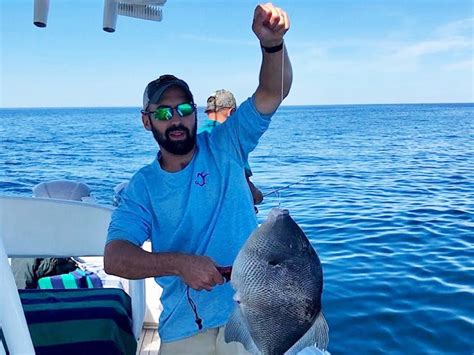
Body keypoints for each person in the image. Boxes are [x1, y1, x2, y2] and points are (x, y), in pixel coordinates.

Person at [104, 3, 292, 354]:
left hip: (251, 309)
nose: (175, 119)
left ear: (195, 113)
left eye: (184, 109)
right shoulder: (142, 186)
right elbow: (115, 258)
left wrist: (272, 46)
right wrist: (179, 263)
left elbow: (272, 92)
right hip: (184, 322)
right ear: (147, 121)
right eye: (163, 112)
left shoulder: (227, 143)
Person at [199, 89, 264, 206]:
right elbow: (244, 183)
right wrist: (258, 195)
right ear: (231, 112)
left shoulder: (194, 138)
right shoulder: (230, 140)